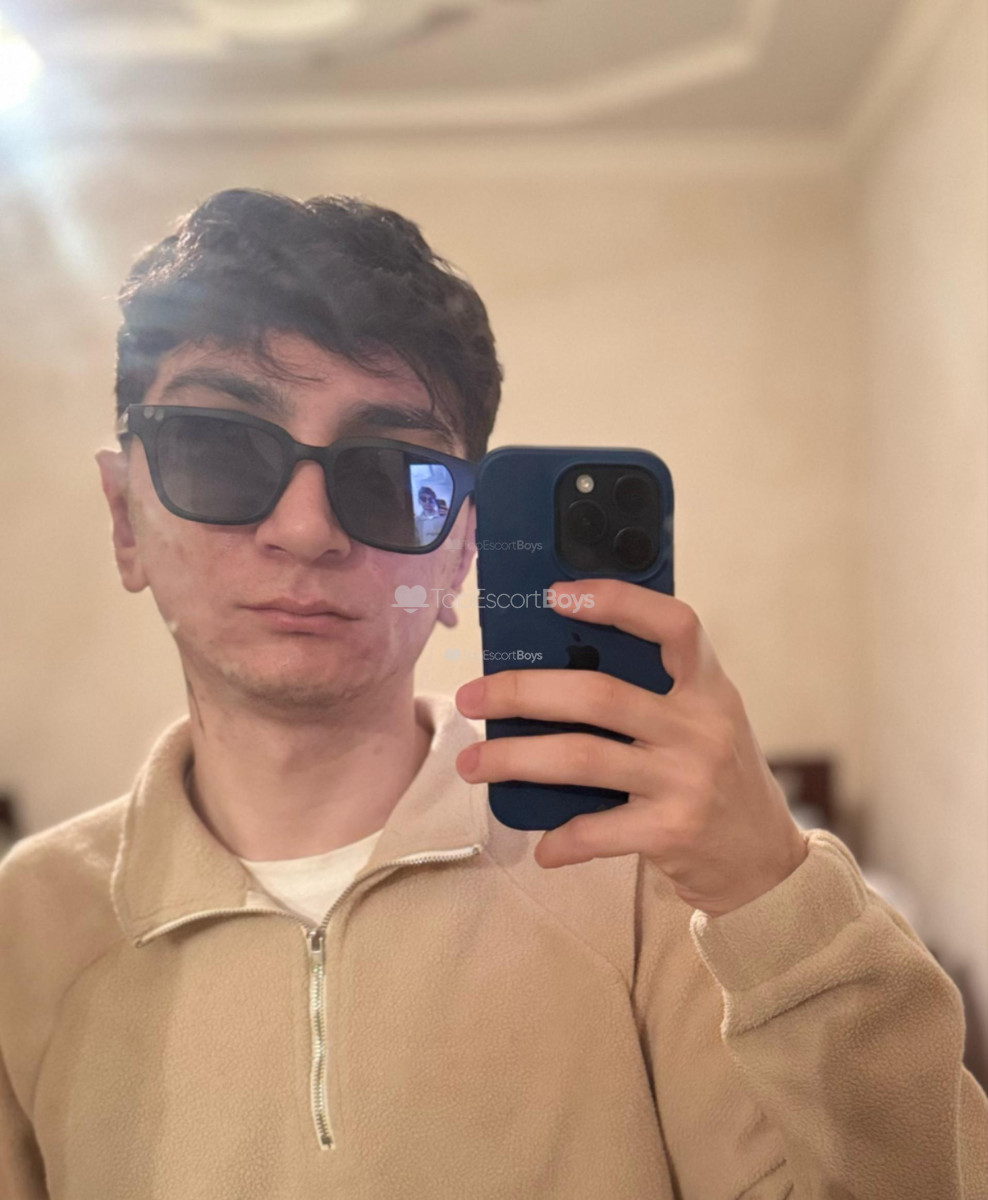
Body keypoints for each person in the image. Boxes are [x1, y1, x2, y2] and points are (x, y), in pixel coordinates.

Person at [0, 188, 985, 1199]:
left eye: (391, 475)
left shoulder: (646, 881)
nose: (305, 530)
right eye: (219, 449)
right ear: (124, 516)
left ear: (462, 554)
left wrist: (774, 895)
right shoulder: (25, 928)